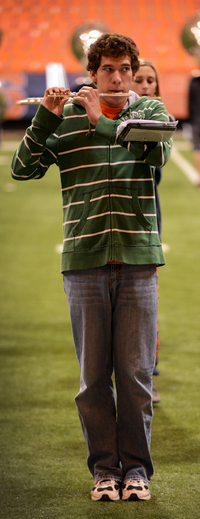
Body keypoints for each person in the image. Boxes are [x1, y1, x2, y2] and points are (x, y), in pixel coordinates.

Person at [11, 33, 173, 501]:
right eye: (108, 70)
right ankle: (105, 469)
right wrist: (46, 116)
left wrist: (100, 119)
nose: (118, 78)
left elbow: (155, 154)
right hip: (83, 263)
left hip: (139, 261)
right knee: (92, 382)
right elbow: (22, 169)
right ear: (93, 73)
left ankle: (137, 472)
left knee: (137, 377)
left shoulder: (150, 112)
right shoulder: (65, 121)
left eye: (125, 69)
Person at [132, 59, 163, 404]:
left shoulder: (158, 122)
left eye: (149, 80)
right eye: (137, 79)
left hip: (147, 226)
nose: (143, 85)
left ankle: (149, 375)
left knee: (147, 310)